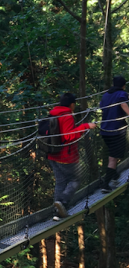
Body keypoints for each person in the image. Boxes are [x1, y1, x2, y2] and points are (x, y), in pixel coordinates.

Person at [47, 93, 96, 221]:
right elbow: (69, 136)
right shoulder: (67, 116)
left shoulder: (52, 114)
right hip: (66, 156)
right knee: (76, 179)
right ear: (72, 104)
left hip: (52, 154)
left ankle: (57, 212)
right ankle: (63, 202)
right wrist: (86, 126)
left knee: (60, 182)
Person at [99, 76, 129, 192]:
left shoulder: (106, 95)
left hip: (105, 131)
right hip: (117, 131)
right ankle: (105, 185)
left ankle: (115, 175)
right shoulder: (121, 94)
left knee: (113, 155)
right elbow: (123, 104)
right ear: (123, 85)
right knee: (113, 158)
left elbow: (103, 106)